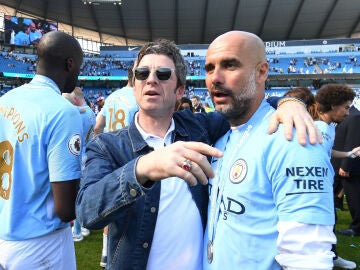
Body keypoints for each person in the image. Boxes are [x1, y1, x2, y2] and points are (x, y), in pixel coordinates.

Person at [76, 39, 318, 270]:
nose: (150, 80)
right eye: (142, 73)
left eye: (162, 74)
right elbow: (87, 212)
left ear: (180, 90)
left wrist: (289, 102)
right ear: (135, 84)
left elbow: (246, 104)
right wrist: (143, 168)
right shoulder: (107, 146)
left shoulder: (199, 128)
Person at [203, 31, 336, 270]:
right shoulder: (220, 135)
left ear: (262, 71)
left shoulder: (293, 137)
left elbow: (308, 258)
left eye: (229, 65)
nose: (215, 78)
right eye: (209, 68)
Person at [0, 31, 84, 269]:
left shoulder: (5, 101)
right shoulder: (63, 111)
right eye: (78, 67)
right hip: (42, 243)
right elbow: (65, 209)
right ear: (70, 64)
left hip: (4, 235)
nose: (78, 74)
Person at [285, 85, 358, 269]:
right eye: (346, 107)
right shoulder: (318, 127)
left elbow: (327, 150)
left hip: (323, 185)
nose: (348, 113)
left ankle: (332, 255)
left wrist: (349, 154)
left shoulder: (328, 127)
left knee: (330, 217)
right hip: (312, 189)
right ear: (334, 106)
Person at [93, 66, 138, 267]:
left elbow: (97, 126)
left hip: (109, 152)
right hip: (128, 154)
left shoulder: (112, 97)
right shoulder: (139, 96)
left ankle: (105, 252)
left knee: (111, 204)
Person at [62, 86, 96, 242]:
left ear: (75, 99)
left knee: (76, 194)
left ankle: (76, 231)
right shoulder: (90, 111)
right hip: (88, 152)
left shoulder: (77, 113)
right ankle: (85, 226)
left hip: (78, 155)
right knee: (85, 191)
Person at [332, 104, 360, 238]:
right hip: (342, 165)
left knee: (355, 198)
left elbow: (353, 144)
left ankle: (357, 228)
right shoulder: (352, 116)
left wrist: (346, 165)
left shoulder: (354, 117)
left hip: (349, 167)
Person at [94, 65, 138, 135]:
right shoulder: (139, 99)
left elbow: (97, 128)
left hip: (110, 143)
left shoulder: (110, 97)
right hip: (128, 144)